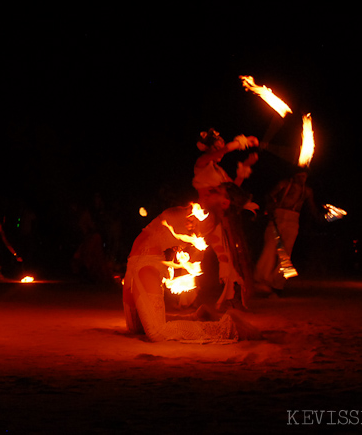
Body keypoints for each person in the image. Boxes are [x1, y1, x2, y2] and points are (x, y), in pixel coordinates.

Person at [122, 186, 261, 343]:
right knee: (136, 328)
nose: (210, 189)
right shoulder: (198, 212)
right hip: (134, 262)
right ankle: (198, 317)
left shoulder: (205, 219)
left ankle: (228, 328)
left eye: (216, 191)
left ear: (224, 203)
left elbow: (198, 246)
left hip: (147, 265)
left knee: (157, 333)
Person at [193, 129, 259, 310]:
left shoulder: (219, 171)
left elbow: (233, 187)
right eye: (218, 147)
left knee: (226, 256)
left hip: (219, 215)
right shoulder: (202, 163)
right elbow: (222, 152)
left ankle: (229, 297)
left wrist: (246, 163)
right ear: (211, 148)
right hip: (204, 214)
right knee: (194, 253)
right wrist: (242, 142)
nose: (221, 151)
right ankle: (185, 297)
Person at [254, 170, 319, 293]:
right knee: (270, 248)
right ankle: (262, 280)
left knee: (285, 254)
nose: (302, 178)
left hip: (293, 220)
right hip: (278, 216)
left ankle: (277, 284)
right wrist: (271, 207)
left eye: (304, 176)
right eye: (300, 176)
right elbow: (269, 195)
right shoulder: (284, 184)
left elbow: (312, 208)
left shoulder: (307, 191)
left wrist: (321, 218)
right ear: (294, 175)